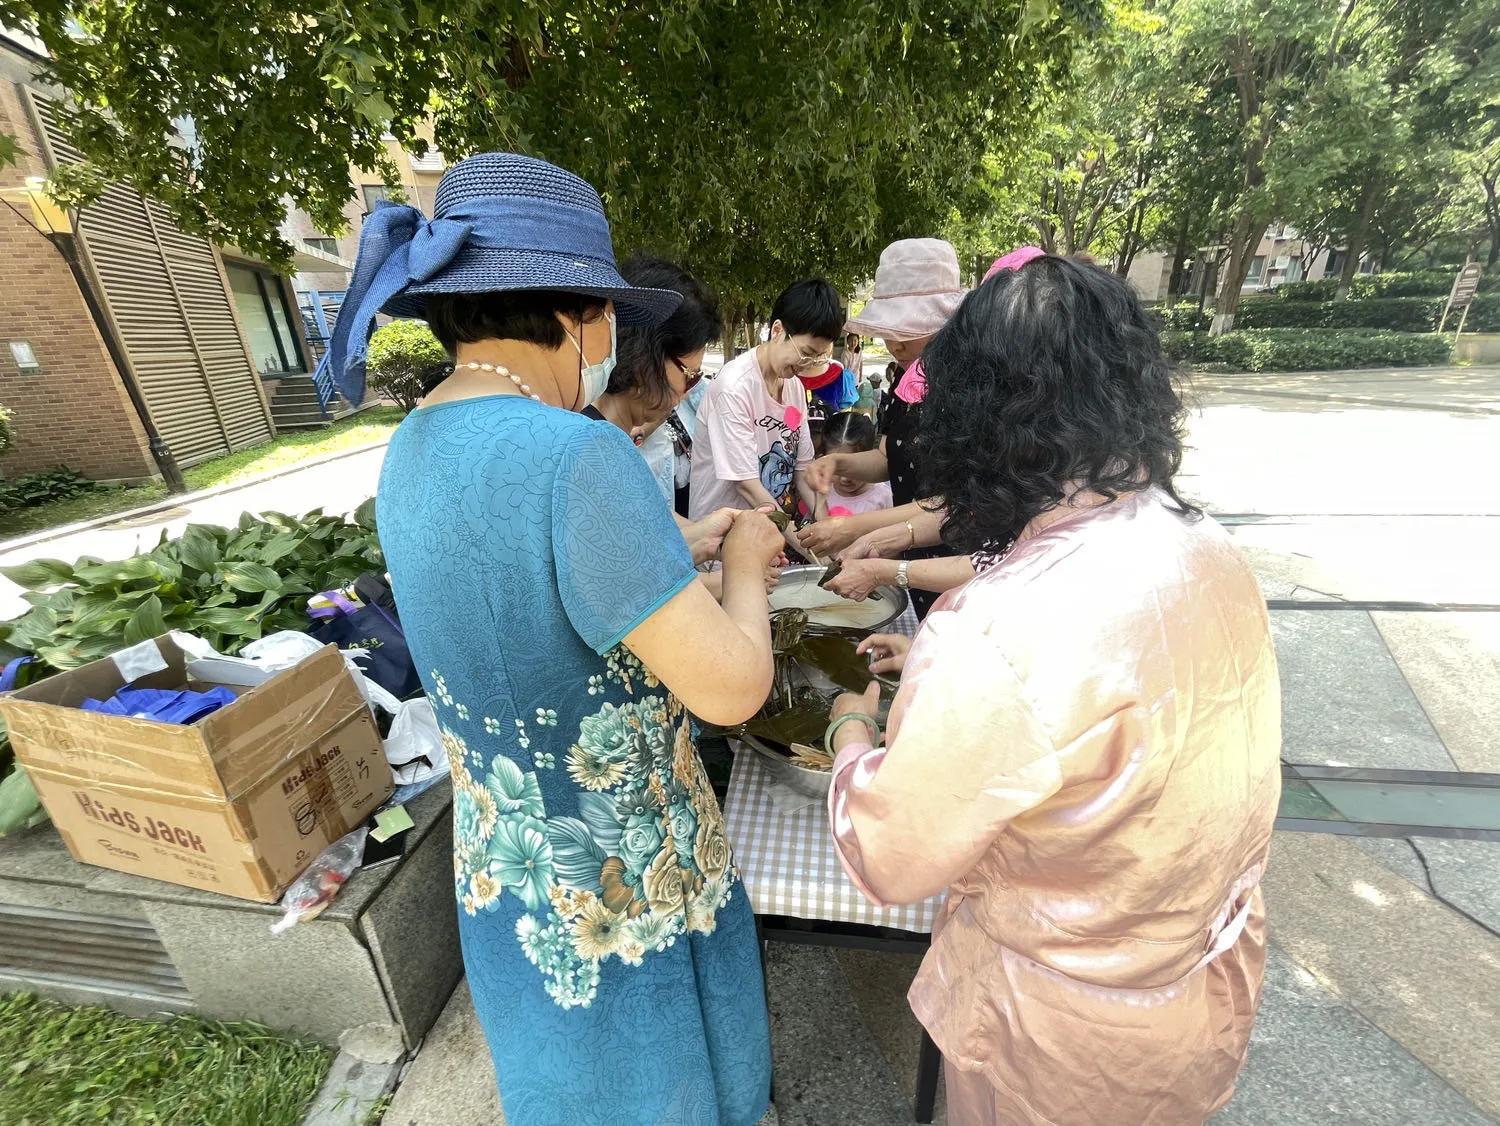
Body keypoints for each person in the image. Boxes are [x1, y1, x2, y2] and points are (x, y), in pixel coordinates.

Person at [331, 153, 779, 1126]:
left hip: (510, 876)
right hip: (626, 889)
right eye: (611, 312)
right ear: (578, 313)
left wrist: (669, 551)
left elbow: (529, 599)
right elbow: (733, 687)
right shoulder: (577, 452)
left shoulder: (412, 445)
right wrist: (748, 560)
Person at [823, 256, 1282, 1125]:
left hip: (1060, 1036)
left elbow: (891, 852)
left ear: (975, 419)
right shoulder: (1209, 546)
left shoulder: (996, 625)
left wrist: (854, 731)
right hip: (1196, 985)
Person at [796, 239, 968, 615]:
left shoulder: (967, 395)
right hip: (909, 550)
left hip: (958, 563)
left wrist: (852, 528)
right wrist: (838, 464)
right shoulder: (904, 385)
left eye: (907, 331)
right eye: (890, 330)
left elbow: (948, 506)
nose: (895, 345)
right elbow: (888, 459)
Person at [688, 278, 844, 520]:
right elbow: (747, 485)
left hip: (769, 536)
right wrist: (802, 540)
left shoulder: (793, 387)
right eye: (805, 353)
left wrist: (826, 526)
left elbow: (802, 470)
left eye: (817, 358)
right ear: (778, 330)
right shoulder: (734, 387)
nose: (807, 365)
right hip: (722, 540)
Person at [587, 255, 716, 508]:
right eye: (690, 377)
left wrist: (704, 532)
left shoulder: (607, 436)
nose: (685, 393)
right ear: (646, 358)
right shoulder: (595, 455)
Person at [813, 411, 891, 519]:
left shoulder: (882, 497)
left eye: (851, 467)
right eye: (838, 468)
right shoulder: (824, 490)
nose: (845, 478)